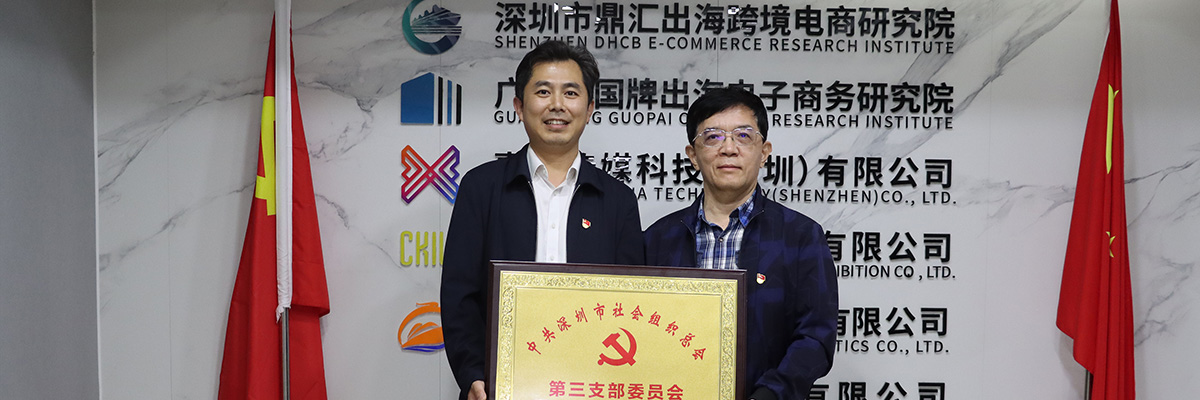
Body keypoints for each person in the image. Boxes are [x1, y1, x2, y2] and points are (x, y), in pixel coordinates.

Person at [440, 40, 646, 400]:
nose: (557, 105)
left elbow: (630, 304)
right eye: (543, 91)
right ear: (519, 106)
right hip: (499, 385)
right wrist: (473, 374)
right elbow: (460, 295)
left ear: (590, 108)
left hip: (591, 384)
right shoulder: (481, 187)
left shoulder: (618, 200)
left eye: (571, 92)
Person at [643, 88, 838, 400]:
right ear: (693, 155)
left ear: (764, 152)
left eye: (743, 136)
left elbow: (816, 337)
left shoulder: (800, 236)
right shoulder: (657, 239)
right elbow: (641, 328)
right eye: (713, 137)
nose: (729, 148)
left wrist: (768, 395)